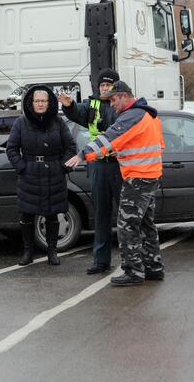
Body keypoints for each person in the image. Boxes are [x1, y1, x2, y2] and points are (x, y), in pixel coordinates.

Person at [65, 81, 164, 286]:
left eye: (113, 99)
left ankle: (133, 272)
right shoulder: (149, 115)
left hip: (137, 178)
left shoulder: (131, 116)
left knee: (127, 225)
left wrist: (83, 154)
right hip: (150, 175)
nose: (111, 105)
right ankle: (153, 267)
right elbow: (156, 145)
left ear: (124, 96)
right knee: (146, 224)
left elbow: (109, 138)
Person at [58, 69, 122, 274]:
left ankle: (132, 259)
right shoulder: (92, 104)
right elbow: (78, 111)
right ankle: (101, 261)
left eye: (108, 85)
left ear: (115, 87)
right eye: (102, 85)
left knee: (126, 214)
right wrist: (68, 105)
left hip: (120, 164)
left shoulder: (121, 104)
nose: (104, 88)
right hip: (98, 165)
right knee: (101, 214)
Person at [6, 84, 77, 265]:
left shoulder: (58, 122)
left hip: (54, 174)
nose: (39, 104)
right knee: (27, 216)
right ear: (31, 102)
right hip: (29, 174)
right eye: (36, 101)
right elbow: (12, 148)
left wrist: (63, 167)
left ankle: (52, 252)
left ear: (49, 102)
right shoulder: (21, 122)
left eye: (43, 101)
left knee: (52, 215)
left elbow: (70, 147)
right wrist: (22, 167)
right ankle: (28, 252)